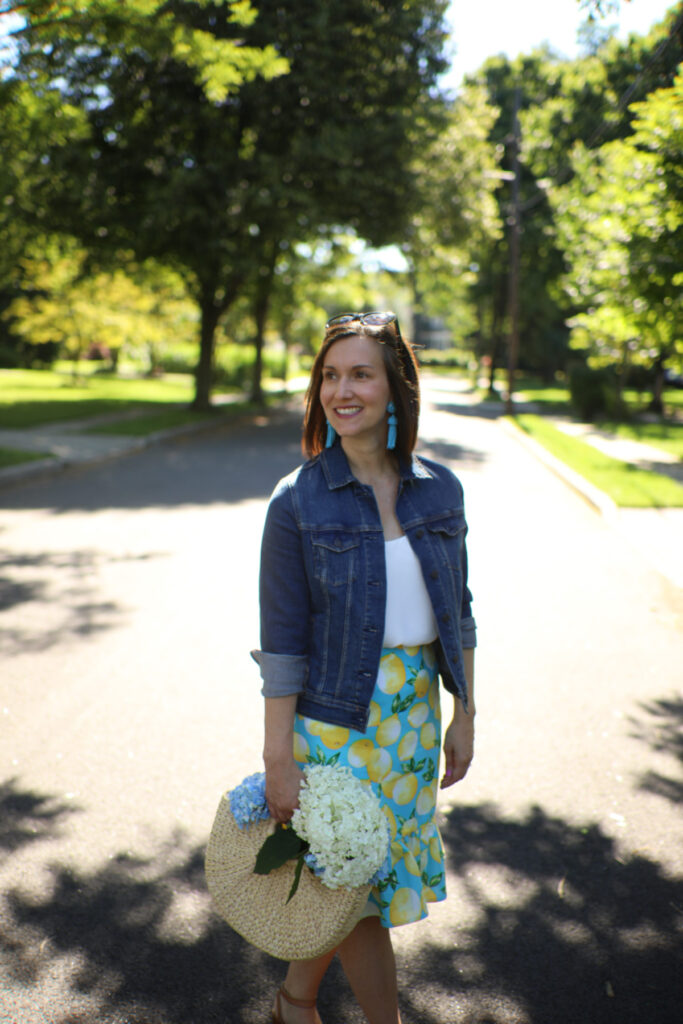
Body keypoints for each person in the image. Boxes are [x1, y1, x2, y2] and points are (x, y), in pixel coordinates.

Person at [252, 312, 476, 1024]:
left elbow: (458, 611)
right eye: (328, 375)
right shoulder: (296, 501)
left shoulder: (439, 489)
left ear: (394, 387)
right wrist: (277, 756)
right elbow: (282, 640)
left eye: (359, 374)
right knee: (353, 881)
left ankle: (295, 1002)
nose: (339, 391)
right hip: (334, 723)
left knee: (350, 884)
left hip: (410, 720)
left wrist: (465, 713)